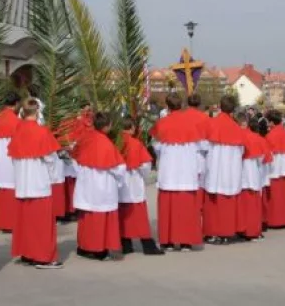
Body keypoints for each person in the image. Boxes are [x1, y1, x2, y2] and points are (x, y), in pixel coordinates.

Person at [9, 98, 63, 269]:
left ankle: (28, 253)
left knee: (26, 222)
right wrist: (54, 178)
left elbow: (13, 157)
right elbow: (50, 159)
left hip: (23, 183)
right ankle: (44, 257)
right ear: (38, 112)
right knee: (42, 224)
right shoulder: (41, 132)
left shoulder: (17, 132)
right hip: (39, 182)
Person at [150, 93, 208, 252]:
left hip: (169, 171)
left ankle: (167, 241)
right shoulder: (191, 124)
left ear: (168, 107)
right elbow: (202, 146)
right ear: (181, 105)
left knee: (168, 208)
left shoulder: (162, 123)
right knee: (186, 209)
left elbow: (155, 146)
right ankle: (186, 242)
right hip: (186, 172)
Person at [73, 112, 126, 260]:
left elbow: (75, 159)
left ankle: (83, 247)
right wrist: (120, 182)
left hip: (86, 184)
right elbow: (118, 168)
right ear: (108, 126)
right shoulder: (106, 143)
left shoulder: (85, 139)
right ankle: (99, 249)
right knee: (101, 217)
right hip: (103, 186)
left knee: (86, 217)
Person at [203, 95, 245, 245]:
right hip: (231, 170)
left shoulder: (212, 124)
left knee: (213, 201)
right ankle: (227, 232)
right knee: (228, 199)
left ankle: (211, 232)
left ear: (220, 107)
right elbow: (241, 150)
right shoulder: (236, 127)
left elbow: (204, 146)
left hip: (215, 168)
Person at [118, 118, 164, 256]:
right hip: (134, 182)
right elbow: (145, 166)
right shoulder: (136, 143)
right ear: (132, 128)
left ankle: (126, 244)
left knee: (123, 216)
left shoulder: (116, 143)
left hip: (120, 184)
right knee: (139, 217)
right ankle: (147, 245)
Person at [0, 92, 20, 233]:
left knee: (0, 191)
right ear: (16, 104)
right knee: (10, 189)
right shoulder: (17, 121)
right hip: (9, 159)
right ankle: (9, 224)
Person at [238, 116, 270, 241]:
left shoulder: (241, 137)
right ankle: (254, 230)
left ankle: (244, 229)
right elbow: (264, 158)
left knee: (244, 205)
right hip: (255, 175)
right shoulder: (259, 139)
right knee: (254, 206)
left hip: (242, 174)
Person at [264, 109, 285, 229]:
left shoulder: (270, 135)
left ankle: (275, 221)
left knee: (275, 197)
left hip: (274, 169)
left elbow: (268, 155)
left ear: (272, 122)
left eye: (268, 122)